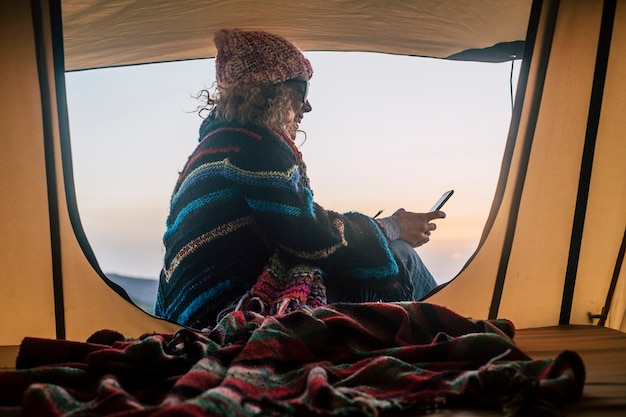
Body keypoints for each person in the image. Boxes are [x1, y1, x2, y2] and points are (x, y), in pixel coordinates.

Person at [154, 29, 445, 330]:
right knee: (400, 256)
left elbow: (295, 228)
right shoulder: (253, 147)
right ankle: (450, 337)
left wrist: (377, 230)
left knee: (374, 253)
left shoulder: (215, 145)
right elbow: (309, 236)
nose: (307, 106)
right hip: (236, 313)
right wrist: (392, 227)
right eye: (302, 91)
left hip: (197, 312)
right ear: (271, 89)